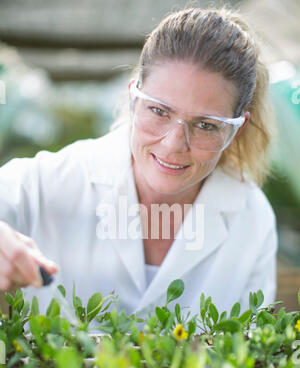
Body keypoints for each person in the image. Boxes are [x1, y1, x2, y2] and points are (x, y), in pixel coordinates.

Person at [0, 7, 278, 326]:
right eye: (159, 111)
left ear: (235, 129)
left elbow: (249, 354)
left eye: (205, 125)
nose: (174, 144)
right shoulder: (52, 181)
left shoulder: (252, 218)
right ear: (134, 98)